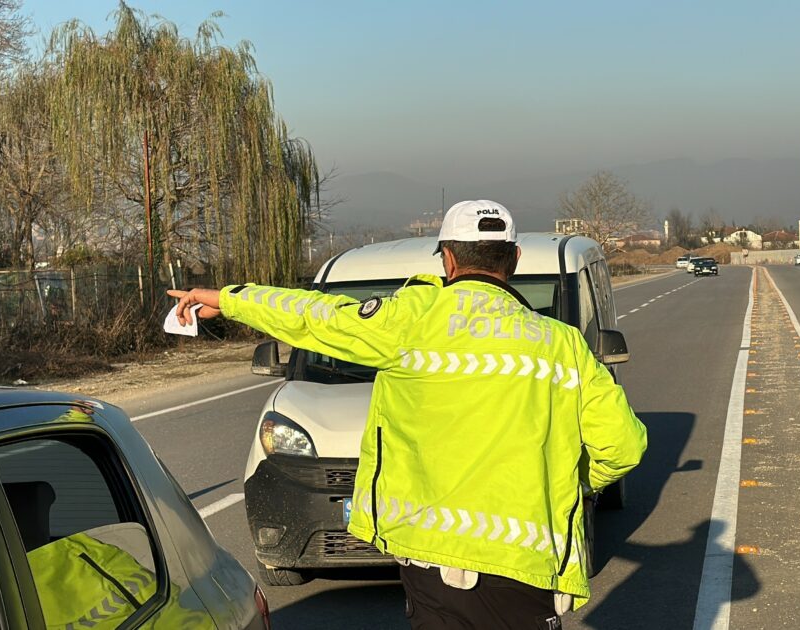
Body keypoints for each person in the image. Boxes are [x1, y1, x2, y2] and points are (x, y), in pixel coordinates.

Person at [168, 200, 647, 629]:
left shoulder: (410, 321)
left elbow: (316, 316)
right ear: (515, 259)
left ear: (448, 258)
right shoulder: (562, 346)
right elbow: (623, 446)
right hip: (527, 568)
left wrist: (228, 299)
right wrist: (569, 481)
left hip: (432, 564)